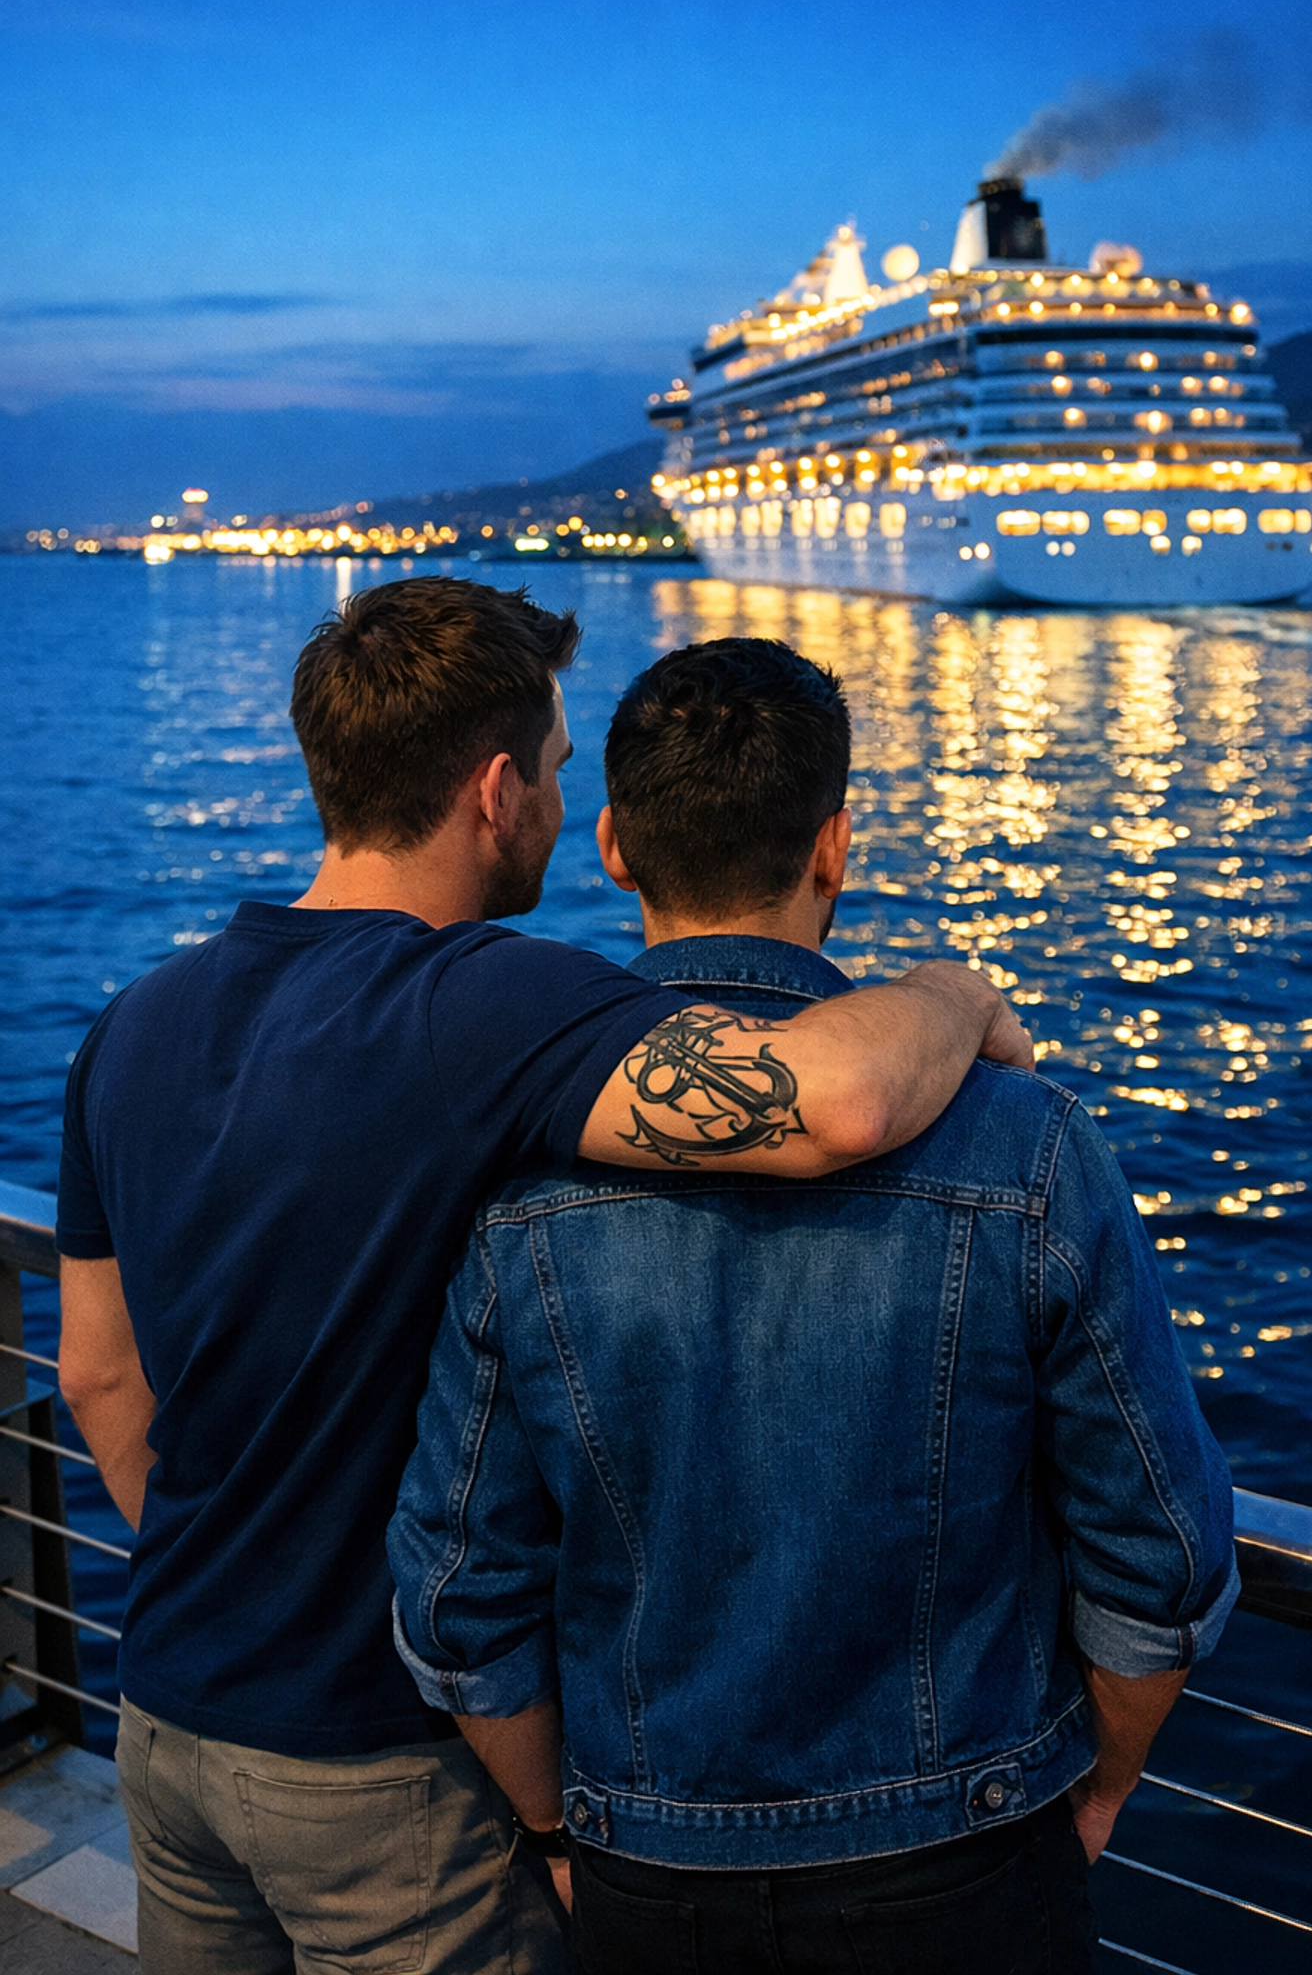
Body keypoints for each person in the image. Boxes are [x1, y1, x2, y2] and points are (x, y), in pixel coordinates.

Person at [56, 582, 1032, 1975]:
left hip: (168, 1720)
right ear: (499, 790)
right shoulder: (476, 1004)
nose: (569, 810)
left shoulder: (134, 1023)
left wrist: (243, 1574)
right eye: (564, 772)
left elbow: (97, 1372)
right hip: (386, 1768)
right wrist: (958, 989)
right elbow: (842, 1105)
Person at [390, 634, 1239, 1975]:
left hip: (651, 1875)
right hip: (967, 1857)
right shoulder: (1028, 1145)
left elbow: (459, 1595)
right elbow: (1164, 1555)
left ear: (613, 846)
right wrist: (1098, 1783)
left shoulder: (522, 1180)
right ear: (837, 844)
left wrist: (564, 1828)